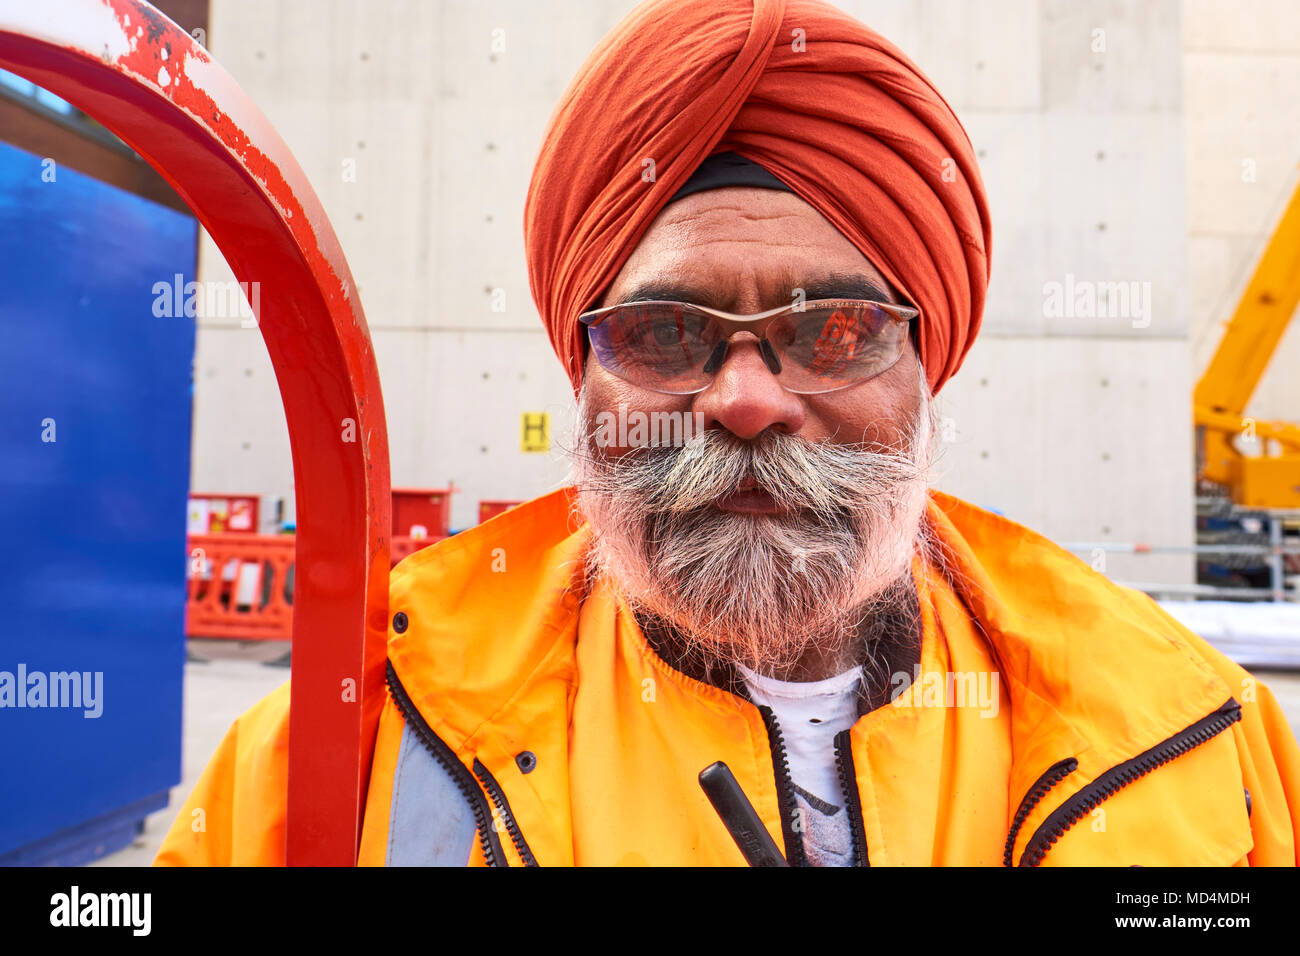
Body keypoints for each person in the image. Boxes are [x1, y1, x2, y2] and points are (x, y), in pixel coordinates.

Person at [156, 0, 1300, 867]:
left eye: (837, 329)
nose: (746, 399)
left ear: (926, 371)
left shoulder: (1191, 732)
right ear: (585, 379)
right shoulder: (347, 742)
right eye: (660, 331)